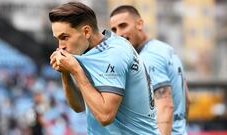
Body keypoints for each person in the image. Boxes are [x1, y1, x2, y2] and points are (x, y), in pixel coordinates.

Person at [48, 2, 160, 135]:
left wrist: (76, 71)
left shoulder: (114, 54)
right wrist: (65, 73)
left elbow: (105, 116)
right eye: (58, 39)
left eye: (65, 37)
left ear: (86, 32)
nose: (61, 46)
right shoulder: (87, 51)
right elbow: (79, 106)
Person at [110, 5, 191, 135]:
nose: (118, 33)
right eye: (114, 29)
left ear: (139, 24)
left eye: (123, 26)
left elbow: (165, 106)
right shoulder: (165, 49)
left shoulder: (148, 57)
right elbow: (187, 99)